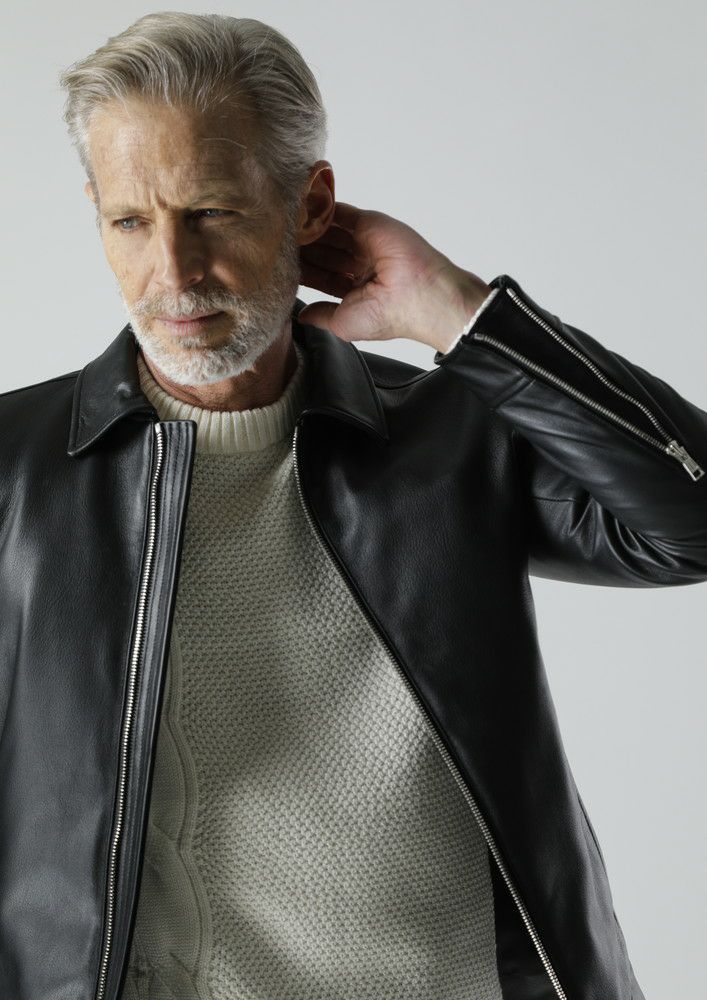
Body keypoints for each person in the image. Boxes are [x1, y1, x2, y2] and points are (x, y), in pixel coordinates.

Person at [1, 12, 705, 1000]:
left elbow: (689, 525)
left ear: (310, 205)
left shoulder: (447, 436)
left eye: (212, 212)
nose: (173, 272)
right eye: (129, 221)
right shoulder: (17, 469)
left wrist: (458, 312)